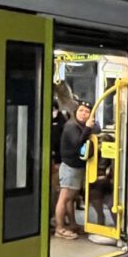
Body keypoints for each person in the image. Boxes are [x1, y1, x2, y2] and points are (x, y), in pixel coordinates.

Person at [54, 102, 95, 239]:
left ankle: (72, 224)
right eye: (81, 110)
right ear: (75, 112)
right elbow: (78, 143)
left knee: (71, 199)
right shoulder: (71, 126)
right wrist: (88, 128)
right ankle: (59, 228)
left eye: (87, 111)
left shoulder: (81, 126)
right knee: (64, 198)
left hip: (77, 167)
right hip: (69, 167)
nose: (84, 113)